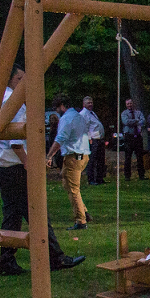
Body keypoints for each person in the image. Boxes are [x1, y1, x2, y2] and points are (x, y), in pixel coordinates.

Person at [0, 69, 84, 275]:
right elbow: (16, 144)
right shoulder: (15, 103)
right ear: (11, 80)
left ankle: (6, 262)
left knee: (12, 215)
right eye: (20, 78)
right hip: (13, 166)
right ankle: (55, 258)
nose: (24, 82)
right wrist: (29, 164)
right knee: (37, 211)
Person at [47, 96, 91, 229]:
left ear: (62, 106)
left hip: (73, 156)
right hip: (83, 155)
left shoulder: (66, 118)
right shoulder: (79, 116)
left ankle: (80, 220)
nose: (56, 111)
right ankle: (84, 211)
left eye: (57, 108)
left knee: (73, 189)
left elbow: (60, 138)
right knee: (68, 184)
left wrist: (49, 155)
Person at [81, 96, 107, 185]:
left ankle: (99, 178)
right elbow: (85, 128)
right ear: (84, 104)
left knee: (100, 160)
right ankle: (91, 179)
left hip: (99, 139)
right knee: (92, 160)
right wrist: (89, 139)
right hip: (92, 140)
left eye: (91, 102)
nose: (90, 104)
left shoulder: (92, 113)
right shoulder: (84, 114)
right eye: (88, 103)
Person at [120, 98, 147, 180]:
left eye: (130, 103)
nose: (129, 105)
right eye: (128, 104)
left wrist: (134, 121)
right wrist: (136, 120)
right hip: (129, 136)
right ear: (126, 105)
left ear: (133, 104)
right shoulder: (124, 113)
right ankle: (127, 176)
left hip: (138, 136)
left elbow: (143, 121)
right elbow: (126, 122)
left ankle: (141, 175)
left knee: (140, 156)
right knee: (128, 157)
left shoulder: (138, 112)